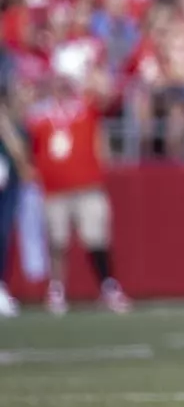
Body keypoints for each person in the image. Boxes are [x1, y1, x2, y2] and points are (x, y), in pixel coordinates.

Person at [27, 73, 130, 315]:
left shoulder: (85, 109)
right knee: (57, 241)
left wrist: (95, 76)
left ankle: (108, 285)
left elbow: (109, 98)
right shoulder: (40, 116)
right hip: (54, 189)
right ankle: (57, 289)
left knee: (96, 239)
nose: (62, 90)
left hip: (87, 186)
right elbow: (28, 144)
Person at [0, 93, 35, 317]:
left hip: (8, 190)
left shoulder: (15, 129)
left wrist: (6, 129)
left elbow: (23, 160)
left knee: (2, 234)